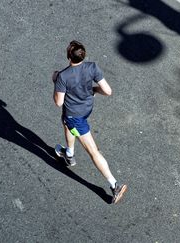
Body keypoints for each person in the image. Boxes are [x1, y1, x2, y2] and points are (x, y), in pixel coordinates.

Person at [53, 40, 127, 204]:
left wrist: (55, 81)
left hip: (75, 116)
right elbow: (107, 91)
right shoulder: (92, 67)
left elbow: (58, 102)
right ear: (83, 55)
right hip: (86, 109)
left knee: (93, 151)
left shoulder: (63, 76)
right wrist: (93, 89)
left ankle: (114, 185)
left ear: (68, 56)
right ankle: (69, 154)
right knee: (65, 122)